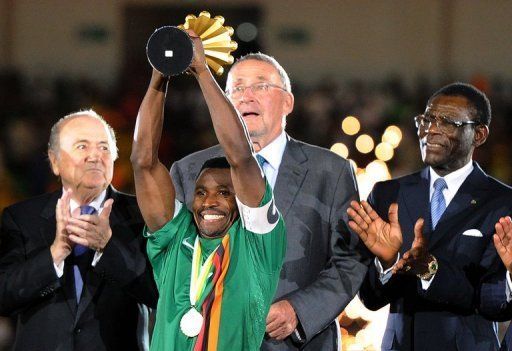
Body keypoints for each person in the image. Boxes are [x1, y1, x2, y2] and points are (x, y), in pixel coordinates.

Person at [170, 52, 369, 350]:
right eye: (236, 89)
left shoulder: (331, 171)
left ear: (288, 102)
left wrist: (299, 310)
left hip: (297, 343)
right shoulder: (188, 171)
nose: (247, 97)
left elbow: (350, 259)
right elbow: (172, 260)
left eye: (261, 86)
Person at [130, 31, 286, 351]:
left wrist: (202, 70)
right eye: (200, 193)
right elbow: (143, 161)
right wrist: (159, 77)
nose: (209, 201)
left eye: (224, 193)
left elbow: (241, 156)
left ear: (240, 200)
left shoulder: (257, 242)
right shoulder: (175, 240)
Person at [347, 82, 512, 351]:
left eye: (447, 122)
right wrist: (388, 263)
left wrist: (430, 268)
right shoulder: (388, 192)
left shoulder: (503, 202)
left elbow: (492, 304)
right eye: (426, 119)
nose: (430, 130)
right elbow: (370, 298)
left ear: (479, 134)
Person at [0, 110, 158, 350]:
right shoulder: (21, 218)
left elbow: (160, 295)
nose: (95, 156)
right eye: (82, 146)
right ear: (55, 162)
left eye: (104, 148)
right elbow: (3, 296)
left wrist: (108, 248)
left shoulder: (143, 216)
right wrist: (55, 254)